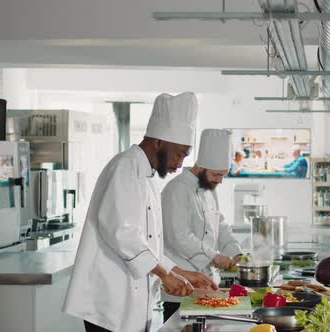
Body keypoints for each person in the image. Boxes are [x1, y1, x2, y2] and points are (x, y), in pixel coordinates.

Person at [63, 93, 217, 332]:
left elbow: (146, 243)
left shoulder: (147, 176)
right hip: (108, 303)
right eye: (179, 154)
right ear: (158, 142)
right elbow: (121, 233)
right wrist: (165, 274)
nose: (180, 164)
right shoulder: (125, 167)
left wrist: (178, 271)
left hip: (127, 303)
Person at [161, 129, 243, 321]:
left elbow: (220, 225)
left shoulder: (209, 189)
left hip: (207, 286)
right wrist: (215, 256)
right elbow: (179, 237)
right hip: (181, 288)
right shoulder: (176, 189)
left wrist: (235, 252)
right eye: (216, 174)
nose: (220, 181)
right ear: (202, 166)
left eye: (223, 175)